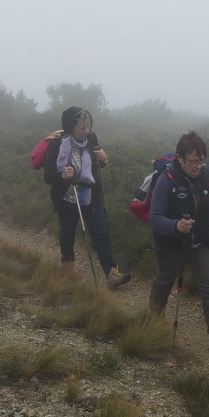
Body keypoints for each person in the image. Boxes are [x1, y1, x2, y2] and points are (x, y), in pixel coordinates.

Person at [149, 131, 209, 356]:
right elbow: (155, 217)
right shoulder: (166, 181)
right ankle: (152, 321)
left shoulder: (207, 176)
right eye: (194, 161)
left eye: (202, 160)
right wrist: (175, 226)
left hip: (201, 241)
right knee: (164, 282)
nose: (199, 166)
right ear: (180, 159)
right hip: (171, 245)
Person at [43, 106, 131, 289]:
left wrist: (104, 159)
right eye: (81, 127)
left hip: (91, 197)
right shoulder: (58, 145)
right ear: (70, 127)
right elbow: (48, 176)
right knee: (67, 235)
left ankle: (111, 274)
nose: (85, 130)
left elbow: (98, 163)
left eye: (88, 126)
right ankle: (68, 270)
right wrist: (62, 176)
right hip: (67, 198)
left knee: (101, 233)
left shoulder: (91, 139)